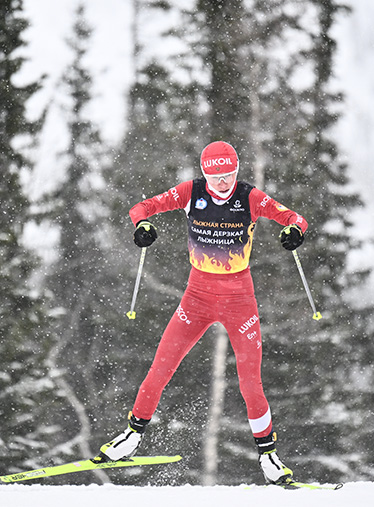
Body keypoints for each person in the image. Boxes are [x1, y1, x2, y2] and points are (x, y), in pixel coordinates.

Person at [95, 141, 308, 485]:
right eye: (215, 176)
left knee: (250, 382)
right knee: (161, 367)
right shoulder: (191, 192)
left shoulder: (249, 197)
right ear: (205, 174)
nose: (222, 182)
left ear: (236, 172)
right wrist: (142, 226)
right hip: (196, 299)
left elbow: (294, 217)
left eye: (229, 175)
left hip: (240, 302)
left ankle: (268, 455)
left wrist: (294, 230)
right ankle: (132, 435)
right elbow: (142, 207)